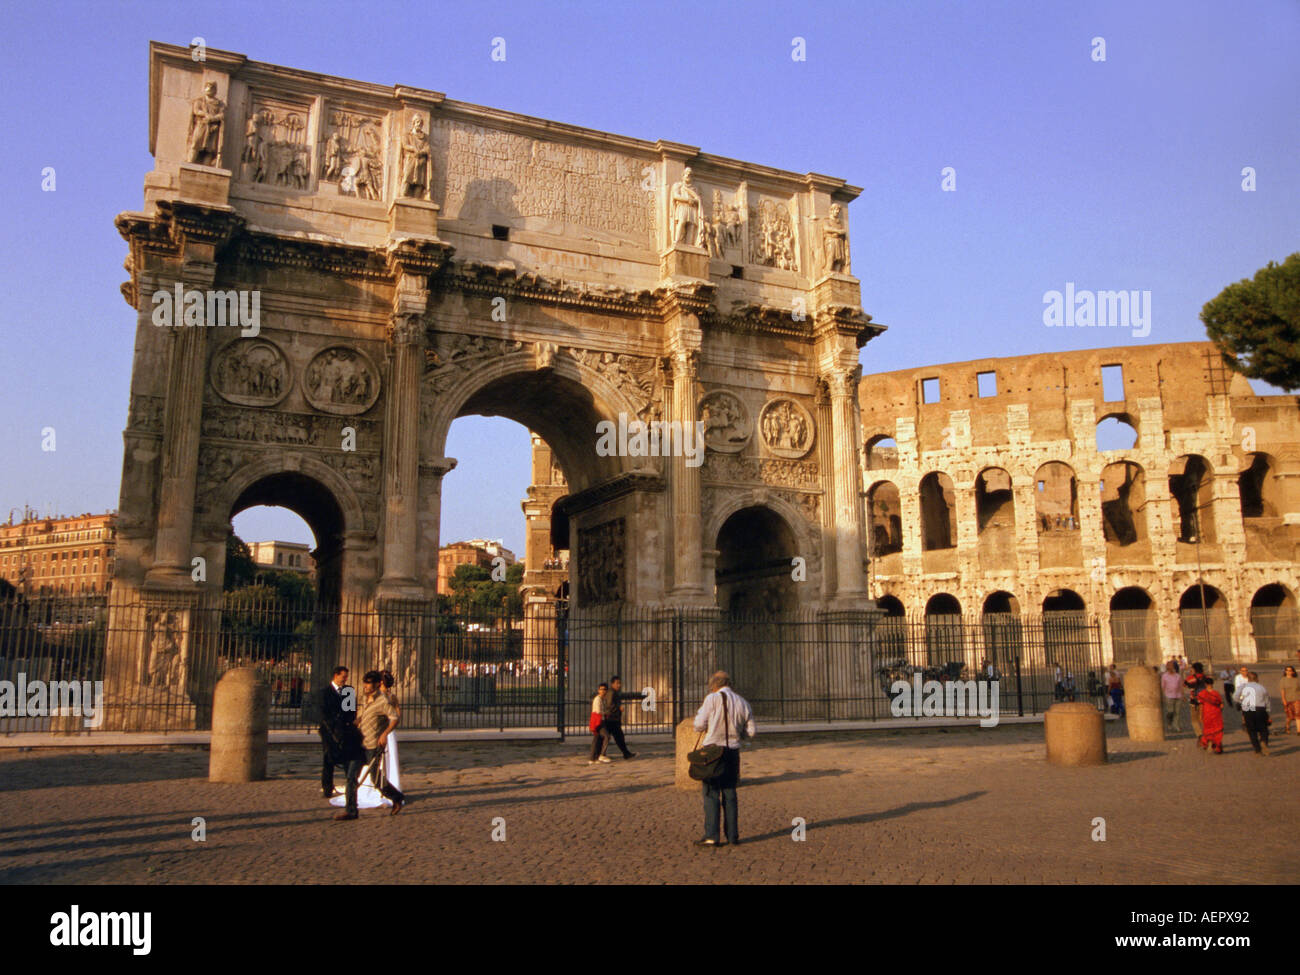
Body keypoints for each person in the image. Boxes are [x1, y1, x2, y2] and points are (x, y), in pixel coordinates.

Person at [692, 671, 756, 849]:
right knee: (730, 793)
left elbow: (698, 725)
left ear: (714, 685)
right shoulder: (743, 702)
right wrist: (738, 733)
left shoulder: (711, 699)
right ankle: (733, 835)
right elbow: (752, 732)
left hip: (713, 751)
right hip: (733, 752)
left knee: (711, 793)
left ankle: (712, 836)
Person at [337, 671, 405, 818]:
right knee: (351, 777)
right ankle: (351, 811)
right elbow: (363, 714)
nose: (365, 686)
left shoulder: (383, 701)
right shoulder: (365, 698)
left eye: (368, 683)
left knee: (376, 779)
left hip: (373, 745)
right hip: (359, 744)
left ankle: (396, 797)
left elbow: (394, 718)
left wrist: (385, 733)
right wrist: (356, 722)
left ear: (377, 684)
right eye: (364, 682)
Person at [318, 666, 354, 799]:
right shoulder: (324, 692)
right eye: (343, 676)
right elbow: (323, 713)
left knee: (347, 759)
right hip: (329, 730)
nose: (345, 679)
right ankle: (327, 787)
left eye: (346, 677)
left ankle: (351, 786)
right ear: (336, 675)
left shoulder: (348, 691)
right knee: (328, 759)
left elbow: (351, 711)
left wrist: (347, 725)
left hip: (344, 729)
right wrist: (332, 729)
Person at [603, 676, 646, 760]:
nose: (619, 685)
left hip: (614, 719)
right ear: (612, 684)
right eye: (617, 683)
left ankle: (625, 753)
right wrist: (618, 707)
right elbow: (609, 705)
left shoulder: (615, 692)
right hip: (611, 719)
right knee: (612, 737)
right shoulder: (611, 692)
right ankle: (624, 753)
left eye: (619, 683)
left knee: (617, 737)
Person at [1236, 670, 1271, 757]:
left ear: (1248, 679)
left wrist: (1241, 701)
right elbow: (1267, 700)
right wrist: (1268, 711)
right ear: (1257, 678)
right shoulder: (1262, 687)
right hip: (1260, 708)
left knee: (1251, 730)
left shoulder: (1243, 687)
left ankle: (1257, 749)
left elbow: (1235, 696)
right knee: (1263, 729)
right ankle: (1263, 741)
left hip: (1248, 708)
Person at [1196, 676, 1224, 754]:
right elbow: (1221, 705)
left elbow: (1201, 705)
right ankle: (1217, 746)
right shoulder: (1216, 694)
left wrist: (1200, 715)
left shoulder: (1202, 694)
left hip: (1206, 713)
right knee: (1217, 730)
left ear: (1205, 684)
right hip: (1216, 714)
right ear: (1212, 684)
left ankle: (1206, 742)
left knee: (1207, 729)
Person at [588, 683, 612, 765]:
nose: (603, 691)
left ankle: (593, 758)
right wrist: (605, 713)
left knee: (597, 740)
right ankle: (602, 755)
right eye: (601, 689)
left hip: (600, 720)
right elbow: (598, 711)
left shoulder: (603, 699)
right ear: (598, 690)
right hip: (598, 721)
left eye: (604, 689)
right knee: (606, 736)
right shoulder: (597, 699)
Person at [1160, 661, 1186, 732]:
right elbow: (1163, 687)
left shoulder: (1178, 676)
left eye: (1172, 666)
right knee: (1171, 711)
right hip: (1169, 696)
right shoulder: (1164, 676)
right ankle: (1169, 721)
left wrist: (1183, 696)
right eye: (1169, 666)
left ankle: (1176, 725)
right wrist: (1163, 697)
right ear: (1167, 667)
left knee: (1177, 712)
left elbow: (1181, 686)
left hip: (1178, 696)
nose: (1171, 668)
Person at [1183, 662, 1208, 735]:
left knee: (1194, 720)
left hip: (1194, 700)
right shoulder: (1206, 677)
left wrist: (1191, 675)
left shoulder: (1191, 678)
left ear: (1194, 669)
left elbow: (1184, 684)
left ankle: (1200, 735)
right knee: (1203, 719)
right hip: (1205, 700)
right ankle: (1206, 733)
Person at [1280, 666, 1299, 735]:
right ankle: (1287, 726)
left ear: (1293, 671)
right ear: (1285, 671)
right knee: (1290, 716)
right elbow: (1282, 691)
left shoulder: (1297, 679)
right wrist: (1283, 700)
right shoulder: (1283, 680)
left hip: (1297, 699)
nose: (1288, 672)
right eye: (1287, 670)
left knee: (1298, 714)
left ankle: (1299, 731)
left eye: (1290, 670)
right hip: (1288, 699)